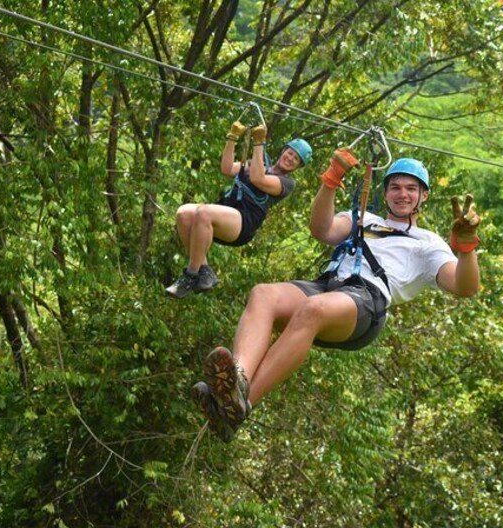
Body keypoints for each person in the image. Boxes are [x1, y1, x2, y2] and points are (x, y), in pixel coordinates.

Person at [191, 149, 482, 441]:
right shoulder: (363, 219)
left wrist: (466, 248)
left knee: (313, 309)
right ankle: (236, 382)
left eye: (410, 189)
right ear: (385, 191)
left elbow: (464, 286)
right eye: (395, 187)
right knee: (263, 294)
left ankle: (241, 404)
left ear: (424, 196)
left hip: (367, 302)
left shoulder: (427, 243)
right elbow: (323, 229)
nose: (402, 194)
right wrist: (330, 181)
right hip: (329, 285)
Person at [165, 120, 312, 298]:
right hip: (226, 212)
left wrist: (259, 143)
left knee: (203, 212)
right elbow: (227, 169)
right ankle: (204, 271)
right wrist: (232, 138)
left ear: (297, 167)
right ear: (283, 151)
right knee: (184, 213)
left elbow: (258, 179)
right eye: (290, 153)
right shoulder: (256, 164)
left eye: (295, 159)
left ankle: (189, 276)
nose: (290, 159)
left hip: (244, 222)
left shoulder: (287, 183)